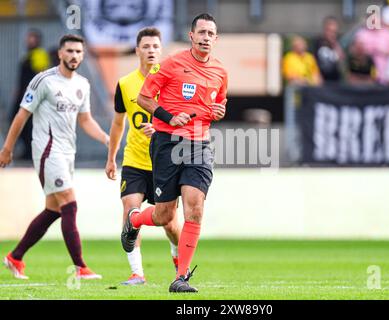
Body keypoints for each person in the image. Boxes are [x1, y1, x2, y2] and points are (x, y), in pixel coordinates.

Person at [121, 13, 228, 293]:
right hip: (167, 143)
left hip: (199, 145)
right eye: (201, 32)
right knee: (164, 216)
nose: (206, 38)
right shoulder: (170, 64)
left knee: (195, 209)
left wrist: (219, 112)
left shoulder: (220, 72)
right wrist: (169, 117)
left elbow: (217, 104)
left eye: (210, 34)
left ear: (216, 39)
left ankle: (180, 278)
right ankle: (134, 221)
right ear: (191, 36)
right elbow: (144, 98)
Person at [0, 34, 109, 280]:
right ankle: (81, 267)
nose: (74, 56)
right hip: (48, 152)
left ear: (82, 55)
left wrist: (105, 138)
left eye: (78, 52)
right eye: (69, 51)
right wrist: (7, 148)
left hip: (67, 153)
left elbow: (85, 120)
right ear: (60, 53)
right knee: (70, 203)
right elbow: (22, 115)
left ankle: (15, 257)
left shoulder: (82, 84)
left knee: (54, 210)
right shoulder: (44, 81)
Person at [105, 27, 181, 285]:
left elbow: (182, 121)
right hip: (135, 161)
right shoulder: (125, 84)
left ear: (161, 51)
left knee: (169, 223)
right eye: (146, 46)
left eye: (155, 47)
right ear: (137, 50)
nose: (150, 51)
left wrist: (160, 128)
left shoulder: (172, 83)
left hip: (165, 163)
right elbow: (118, 124)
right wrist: (110, 157)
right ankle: (137, 273)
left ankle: (176, 256)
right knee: (130, 210)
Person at [10, 29, 50, 161]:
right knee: (17, 122)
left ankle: (30, 152)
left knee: (28, 125)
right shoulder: (27, 55)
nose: (28, 40)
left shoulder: (39, 54)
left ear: (37, 40)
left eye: (31, 38)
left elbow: (42, 74)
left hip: (31, 96)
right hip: (22, 95)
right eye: (28, 38)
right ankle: (28, 150)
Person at [312, 16, 344, 83]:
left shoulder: (337, 43)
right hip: (321, 79)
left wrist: (335, 44)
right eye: (330, 31)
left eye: (334, 32)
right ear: (325, 30)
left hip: (335, 80)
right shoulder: (318, 42)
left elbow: (341, 61)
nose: (332, 34)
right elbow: (313, 60)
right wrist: (317, 75)